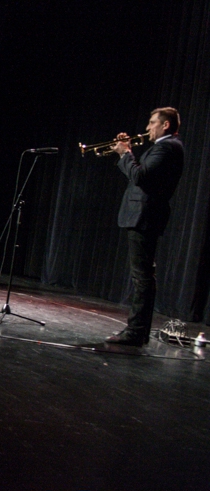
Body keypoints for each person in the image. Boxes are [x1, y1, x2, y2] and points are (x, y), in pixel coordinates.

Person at [106, 107, 184, 347]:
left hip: (145, 216)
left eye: (152, 123)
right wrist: (127, 152)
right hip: (144, 216)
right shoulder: (164, 147)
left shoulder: (167, 146)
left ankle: (137, 331)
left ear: (165, 125)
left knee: (142, 277)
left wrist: (125, 154)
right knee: (142, 276)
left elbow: (140, 177)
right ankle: (137, 330)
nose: (148, 127)